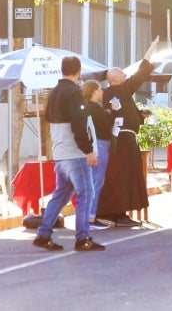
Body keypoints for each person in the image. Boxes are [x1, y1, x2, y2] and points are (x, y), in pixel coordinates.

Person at [32, 56, 104, 252]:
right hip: (75, 153)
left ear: (62, 70)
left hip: (60, 151)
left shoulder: (54, 92)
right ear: (79, 71)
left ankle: (44, 233)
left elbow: (47, 116)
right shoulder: (74, 92)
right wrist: (89, 150)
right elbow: (78, 124)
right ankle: (83, 238)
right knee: (86, 193)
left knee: (61, 194)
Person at [97, 36, 159, 227]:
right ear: (116, 79)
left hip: (117, 139)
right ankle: (118, 212)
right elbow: (141, 74)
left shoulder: (108, 94)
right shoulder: (121, 90)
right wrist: (150, 51)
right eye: (123, 74)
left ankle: (117, 211)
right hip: (123, 140)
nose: (126, 76)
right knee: (124, 175)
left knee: (120, 175)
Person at [82, 79, 113, 230]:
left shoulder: (86, 108)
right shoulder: (95, 108)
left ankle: (88, 216)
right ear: (94, 91)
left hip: (92, 145)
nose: (102, 92)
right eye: (100, 89)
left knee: (92, 181)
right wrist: (110, 112)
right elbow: (105, 127)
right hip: (100, 144)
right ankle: (91, 218)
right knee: (97, 181)